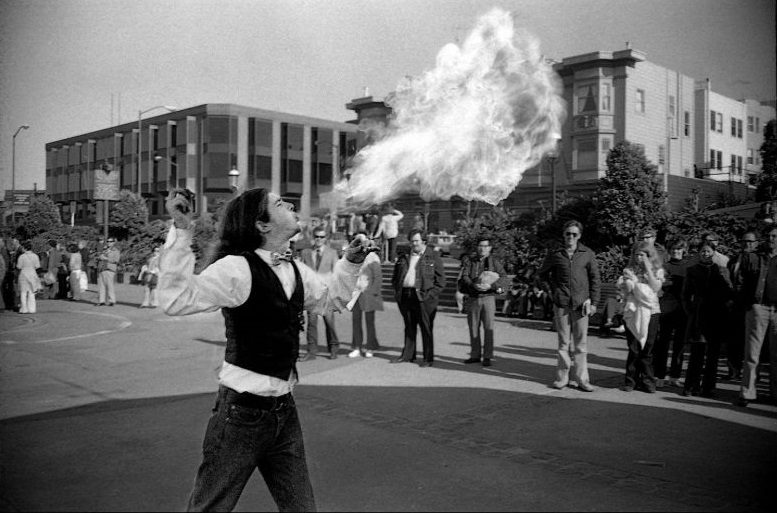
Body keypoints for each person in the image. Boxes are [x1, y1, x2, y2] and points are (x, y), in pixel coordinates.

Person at [158, 187, 370, 511]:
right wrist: (182, 229)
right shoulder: (237, 269)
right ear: (262, 224)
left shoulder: (296, 269)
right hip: (240, 416)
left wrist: (351, 261)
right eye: (280, 204)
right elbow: (175, 300)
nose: (291, 205)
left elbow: (331, 300)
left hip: (284, 411)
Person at [539, 220, 601, 392]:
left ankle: (582, 379)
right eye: (568, 234)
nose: (571, 237)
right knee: (563, 344)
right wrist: (552, 292)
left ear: (579, 236)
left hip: (582, 305)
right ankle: (562, 378)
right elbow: (542, 275)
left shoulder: (587, 253)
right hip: (562, 304)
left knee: (581, 344)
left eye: (574, 234)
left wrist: (594, 302)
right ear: (563, 235)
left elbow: (595, 279)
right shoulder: (555, 254)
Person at [681, 240, 733, 398]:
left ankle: (708, 387)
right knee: (697, 352)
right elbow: (685, 295)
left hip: (716, 315)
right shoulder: (692, 270)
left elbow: (729, 291)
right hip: (699, 315)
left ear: (714, 253)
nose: (705, 254)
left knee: (713, 354)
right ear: (699, 253)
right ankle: (691, 385)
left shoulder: (722, 270)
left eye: (708, 251)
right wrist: (691, 311)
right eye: (703, 251)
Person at [391, 229, 446, 367]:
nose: (413, 243)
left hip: (424, 298)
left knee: (426, 328)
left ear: (424, 241)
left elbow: (441, 282)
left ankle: (428, 358)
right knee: (409, 326)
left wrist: (429, 295)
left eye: (416, 240)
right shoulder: (404, 256)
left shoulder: (433, 256)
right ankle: (408, 355)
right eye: (412, 241)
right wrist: (397, 290)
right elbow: (395, 277)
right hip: (406, 295)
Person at [735, 226, 777, 407]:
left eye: (775, 236)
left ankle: (775, 394)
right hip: (759, 307)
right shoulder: (755, 257)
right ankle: (747, 392)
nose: (771, 239)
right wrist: (748, 303)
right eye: (768, 236)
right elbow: (740, 281)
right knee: (752, 353)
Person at [618, 241, 665, 394]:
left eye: (642, 255)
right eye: (637, 254)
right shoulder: (629, 270)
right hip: (633, 311)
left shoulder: (657, 270)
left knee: (648, 347)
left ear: (650, 256)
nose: (639, 258)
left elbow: (656, 287)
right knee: (634, 348)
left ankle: (648, 381)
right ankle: (630, 380)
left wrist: (648, 270)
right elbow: (626, 289)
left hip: (651, 311)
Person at [458, 237, 507, 367]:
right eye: (480, 245)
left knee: (488, 327)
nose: (482, 248)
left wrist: (492, 286)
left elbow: (503, 277)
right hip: (473, 297)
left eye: (485, 246)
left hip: (488, 298)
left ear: (490, 248)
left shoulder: (495, 262)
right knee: (473, 327)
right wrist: (473, 285)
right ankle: (475, 355)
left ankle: (487, 356)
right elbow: (465, 276)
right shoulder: (470, 261)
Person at [298, 226, 341, 361]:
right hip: (311, 295)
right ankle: (311, 352)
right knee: (311, 324)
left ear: (326, 238)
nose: (319, 239)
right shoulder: (305, 253)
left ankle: (333, 348)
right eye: (316, 236)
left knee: (329, 323)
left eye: (322, 237)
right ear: (313, 237)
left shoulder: (332, 253)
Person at [653, 239, 689, 388]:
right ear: (669, 250)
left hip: (683, 309)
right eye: (673, 249)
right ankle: (659, 375)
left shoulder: (689, 267)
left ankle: (675, 376)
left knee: (680, 345)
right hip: (666, 308)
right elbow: (658, 286)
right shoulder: (664, 266)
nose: (676, 252)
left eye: (679, 249)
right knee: (663, 344)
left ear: (684, 250)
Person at [727, 231, 760, 381]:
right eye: (745, 241)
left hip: (751, 304)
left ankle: (753, 374)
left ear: (756, 243)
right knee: (734, 338)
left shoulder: (759, 259)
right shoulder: (734, 259)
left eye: (751, 242)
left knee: (752, 341)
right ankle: (734, 370)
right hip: (735, 304)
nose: (747, 244)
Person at [348, 233, 383, 358]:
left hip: (368, 292)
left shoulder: (372, 257)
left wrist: (374, 292)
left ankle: (369, 347)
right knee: (356, 321)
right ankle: (357, 347)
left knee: (369, 321)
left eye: (362, 240)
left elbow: (378, 277)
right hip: (355, 293)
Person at [16, 240, 41, 315]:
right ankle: (32, 309)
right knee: (32, 292)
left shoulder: (21, 257)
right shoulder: (35, 256)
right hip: (33, 274)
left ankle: (24, 309)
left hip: (23, 274)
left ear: (24, 248)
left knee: (23, 292)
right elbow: (37, 266)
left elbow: (19, 266)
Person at [96, 237, 120, 306]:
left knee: (110, 286)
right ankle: (101, 301)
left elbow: (116, 260)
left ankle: (112, 301)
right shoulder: (104, 250)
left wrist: (106, 258)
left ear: (113, 242)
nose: (109, 242)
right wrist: (99, 257)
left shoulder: (116, 251)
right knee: (101, 286)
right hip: (102, 269)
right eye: (108, 241)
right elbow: (99, 257)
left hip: (110, 269)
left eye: (111, 241)